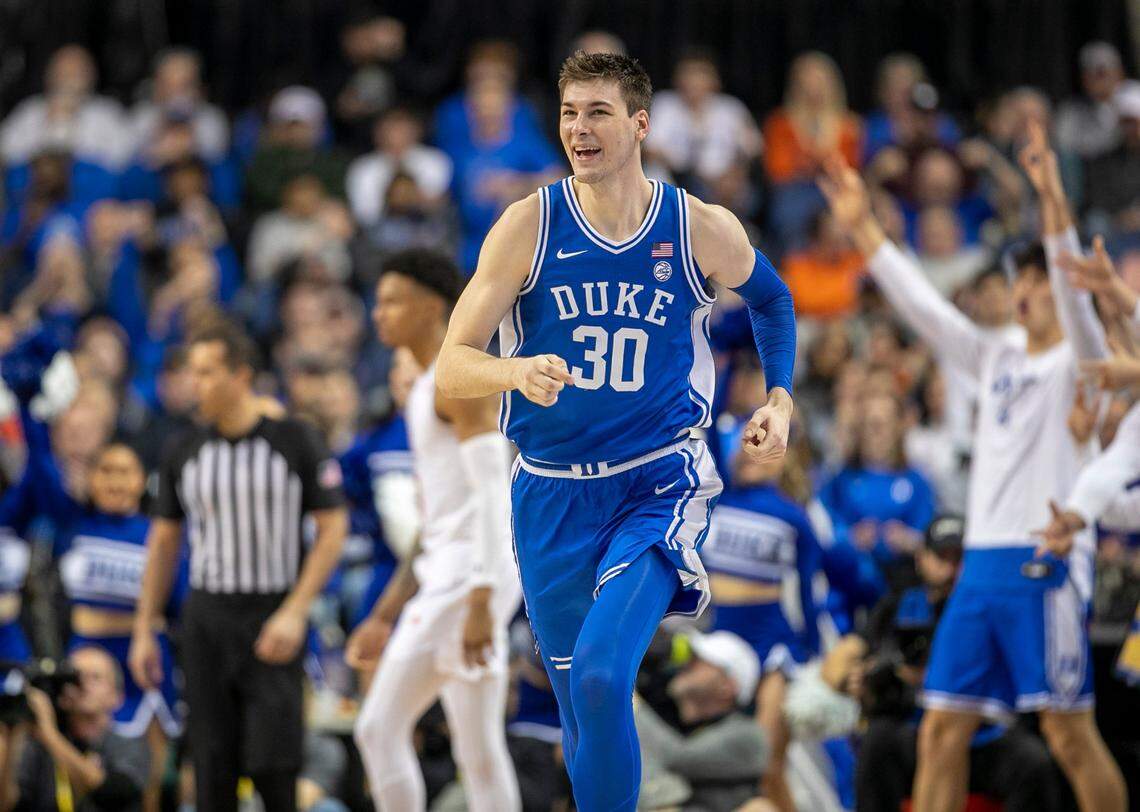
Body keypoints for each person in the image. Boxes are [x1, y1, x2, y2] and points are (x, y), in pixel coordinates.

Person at [435, 51, 796, 811]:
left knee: (604, 675)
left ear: (639, 124)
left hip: (657, 481)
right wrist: (513, 372)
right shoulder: (527, 225)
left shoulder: (694, 224)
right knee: (579, 712)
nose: (579, 129)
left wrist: (781, 399)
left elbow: (772, 301)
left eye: (597, 113)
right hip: (551, 495)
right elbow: (450, 366)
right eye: (569, 114)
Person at [817, 121, 1127, 811]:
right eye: (1018, 283)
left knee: (1068, 735)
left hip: (1041, 560)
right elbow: (923, 309)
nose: (1024, 293)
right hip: (981, 565)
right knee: (941, 730)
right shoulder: (996, 356)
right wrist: (866, 230)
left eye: (1037, 282)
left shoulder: (1077, 355)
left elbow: (1075, 288)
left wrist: (1051, 198)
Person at [128, 320, 348, 812]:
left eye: (207, 373)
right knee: (211, 768)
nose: (195, 384)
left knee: (276, 770)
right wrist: (145, 626)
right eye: (193, 373)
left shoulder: (294, 440)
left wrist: (296, 611)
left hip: (272, 613)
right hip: (206, 621)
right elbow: (163, 542)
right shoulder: (182, 448)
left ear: (241, 375)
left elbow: (334, 527)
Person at [347, 248, 522, 811]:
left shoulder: (457, 380)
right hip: (458, 575)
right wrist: (385, 611)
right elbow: (435, 524)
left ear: (430, 307)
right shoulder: (426, 388)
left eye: (392, 301)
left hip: (468, 579)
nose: (379, 314)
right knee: (480, 751)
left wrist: (482, 596)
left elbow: (496, 493)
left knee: (377, 728)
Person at [850, 517, 1063, 812]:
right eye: (942, 557)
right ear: (921, 558)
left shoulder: (992, 608)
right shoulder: (898, 605)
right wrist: (868, 675)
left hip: (982, 732)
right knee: (877, 742)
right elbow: (850, 657)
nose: (950, 569)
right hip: (914, 725)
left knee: (1034, 760)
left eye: (959, 558)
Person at [702, 440, 822, 811]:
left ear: (782, 460)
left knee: (767, 765)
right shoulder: (716, 499)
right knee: (723, 771)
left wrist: (811, 653)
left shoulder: (794, 518)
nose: (750, 457)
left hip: (772, 647)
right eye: (746, 449)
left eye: (763, 451)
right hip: (720, 646)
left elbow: (806, 593)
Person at [0, 646, 150, 812]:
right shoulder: (39, 743)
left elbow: (112, 794)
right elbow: (7, 804)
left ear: (116, 697)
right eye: (75, 676)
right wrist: (13, 736)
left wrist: (50, 735)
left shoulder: (129, 744)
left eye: (95, 678)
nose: (83, 684)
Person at [634, 630, 768, 812]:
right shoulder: (680, 717)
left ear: (726, 686)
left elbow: (676, 758)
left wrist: (629, 702)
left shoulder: (749, 735)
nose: (688, 662)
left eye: (700, 660)